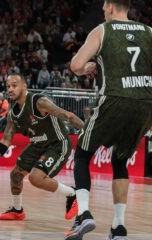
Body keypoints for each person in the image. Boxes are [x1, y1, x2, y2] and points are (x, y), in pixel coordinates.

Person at [65, 1, 152, 239]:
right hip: (146, 103)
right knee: (120, 160)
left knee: (82, 154)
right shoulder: (148, 32)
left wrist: (87, 69)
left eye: (104, 5)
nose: (103, 10)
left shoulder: (103, 29)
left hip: (115, 98)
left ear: (112, 7)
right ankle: (119, 226)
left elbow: (75, 65)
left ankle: (83, 213)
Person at [0, 74, 84, 221]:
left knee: (36, 178)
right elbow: (6, 140)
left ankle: (73, 194)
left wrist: (89, 131)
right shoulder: (13, 114)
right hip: (37, 144)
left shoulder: (39, 102)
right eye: (8, 86)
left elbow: (69, 116)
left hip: (58, 143)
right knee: (15, 175)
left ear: (24, 86)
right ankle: (17, 210)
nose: (10, 89)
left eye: (14, 85)